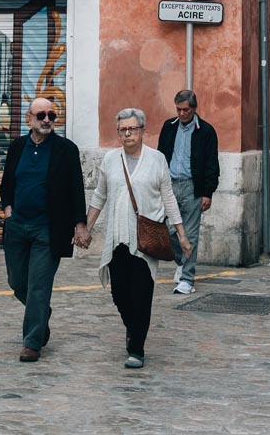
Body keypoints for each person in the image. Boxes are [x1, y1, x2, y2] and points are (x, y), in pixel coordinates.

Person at [81, 107, 191, 369]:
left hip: (145, 240)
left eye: (132, 129)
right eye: (122, 130)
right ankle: (133, 328)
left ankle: (136, 348)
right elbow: (100, 195)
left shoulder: (157, 160)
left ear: (142, 130)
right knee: (119, 294)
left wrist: (182, 235)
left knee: (141, 295)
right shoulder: (110, 159)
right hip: (117, 238)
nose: (127, 134)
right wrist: (86, 228)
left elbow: (168, 199)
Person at [0, 96, 90, 363]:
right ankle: (41, 313)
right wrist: (8, 211)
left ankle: (32, 343)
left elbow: (76, 189)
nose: (47, 120)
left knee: (38, 286)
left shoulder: (66, 150)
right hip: (17, 225)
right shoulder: (17, 147)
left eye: (51, 115)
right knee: (17, 282)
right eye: (41, 115)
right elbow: (7, 184)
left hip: (48, 229)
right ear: (29, 118)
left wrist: (80, 225)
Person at [157, 88, 218, 295]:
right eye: (178, 110)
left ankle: (187, 280)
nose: (182, 113)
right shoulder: (168, 127)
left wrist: (208, 192)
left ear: (194, 108)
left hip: (193, 187)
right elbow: (160, 157)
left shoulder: (206, 131)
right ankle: (182, 261)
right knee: (167, 229)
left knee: (190, 234)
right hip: (169, 185)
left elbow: (212, 164)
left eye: (186, 110)